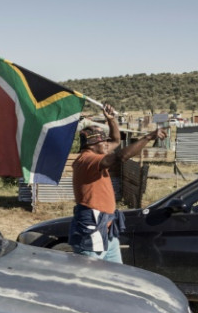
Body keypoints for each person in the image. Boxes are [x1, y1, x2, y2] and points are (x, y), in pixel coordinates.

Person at [68, 103, 166, 263]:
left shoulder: (96, 154)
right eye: (103, 142)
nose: (108, 144)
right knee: (88, 275)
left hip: (106, 227)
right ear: (91, 144)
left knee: (115, 274)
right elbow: (121, 157)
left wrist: (111, 120)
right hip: (92, 228)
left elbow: (115, 140)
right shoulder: (88, 160)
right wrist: (148, 137)